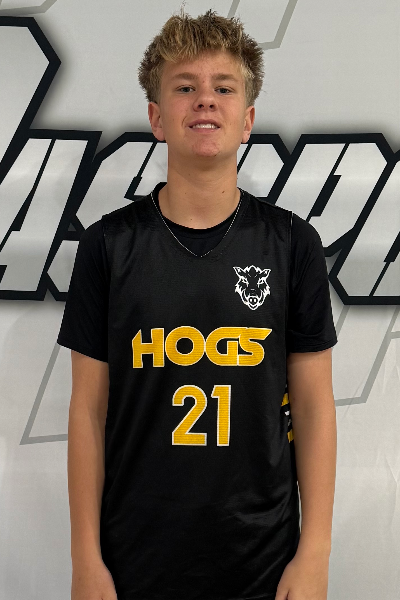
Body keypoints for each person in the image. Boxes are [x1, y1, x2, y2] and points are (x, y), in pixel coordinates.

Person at [58, 8, 337, 600]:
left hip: (264, 561)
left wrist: (315, 553)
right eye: (185, 87)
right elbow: (87, 412)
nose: (205, 99)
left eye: (224, 88)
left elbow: (314, 407)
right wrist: (85, 559)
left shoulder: (293, 243)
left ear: (248, 120)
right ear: (157, 118)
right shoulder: (107, 245)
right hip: (134, 559)